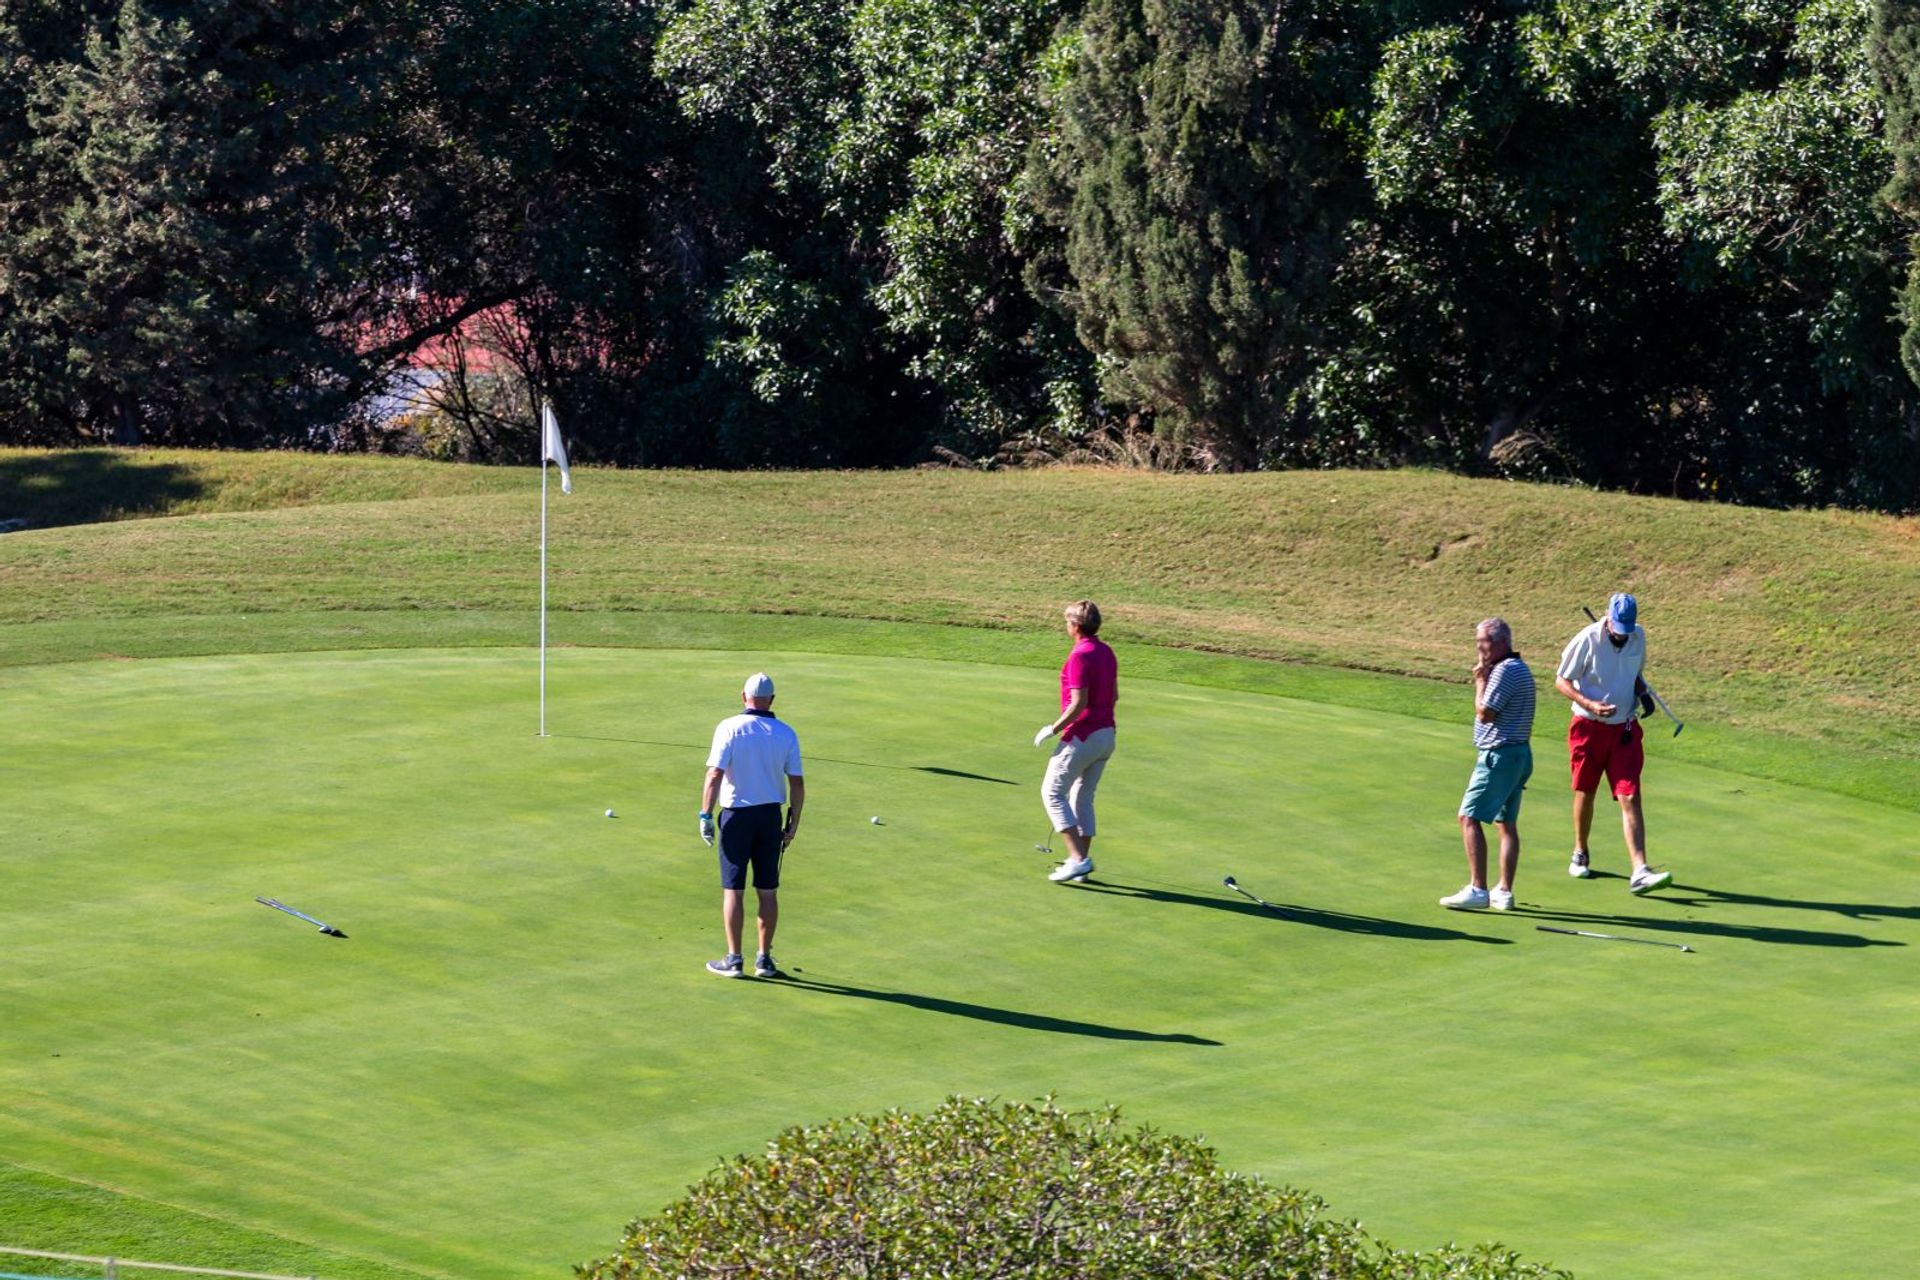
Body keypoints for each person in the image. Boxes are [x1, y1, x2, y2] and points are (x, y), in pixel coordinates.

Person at [1554, 593, 1673, 894]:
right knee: (1586, 791)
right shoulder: (1587, 639)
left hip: (1624, 729)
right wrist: (1589, 703)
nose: (1622, 636)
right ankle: (1580, 850)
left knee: (1630, 795)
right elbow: (1561, 680)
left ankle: (1640, 870)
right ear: (1608, 619)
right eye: (1618, 630)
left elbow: (1634, 674)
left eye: (1627, 630)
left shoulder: (1637, 636)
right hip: (1587, 727)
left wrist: (1643, 693)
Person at [699, 672, 805, 977]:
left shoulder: (729, 727)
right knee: (768, 890)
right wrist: (793, 824)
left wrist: (705, 815)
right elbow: (797, 784)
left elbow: (714, 775)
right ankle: (764, 960)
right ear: (771, 700)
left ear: (743, 696)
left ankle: (734, 959)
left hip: (736, 817)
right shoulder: (786, 733)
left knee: (733, 889)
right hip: (770, 817)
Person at [1441, 618, 1536, 911]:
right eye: (1478, 641)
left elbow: (1485, 713)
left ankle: (1478, 889)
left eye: (1484, 641)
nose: (1479, 647)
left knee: (1468, 817)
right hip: (1519, 754)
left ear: (1502, 643)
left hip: (1499, 756)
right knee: (1506, 823)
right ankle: (1504, 892)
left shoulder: (1505, 672)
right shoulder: (1519, 668)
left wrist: (1480, 681)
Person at [1033, 600, 1118, 883]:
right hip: (1107, 734)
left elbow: (1078, 704)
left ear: (1076, 625)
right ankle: (1080, 862)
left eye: (1067, 622)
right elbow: (1114, 696)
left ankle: (1079, 859)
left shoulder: (1080, 655)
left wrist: (1053, 728)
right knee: (1082, 797)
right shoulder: (1106, 651)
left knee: (1052, 793)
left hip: (1084, 735)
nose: (1065, 626)